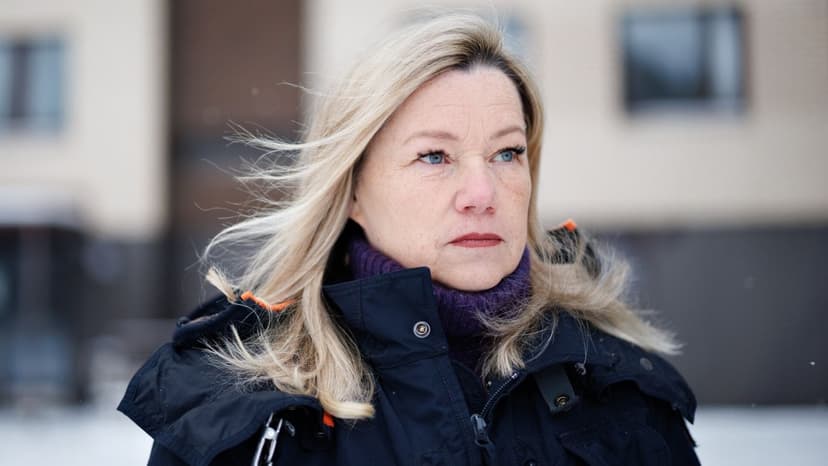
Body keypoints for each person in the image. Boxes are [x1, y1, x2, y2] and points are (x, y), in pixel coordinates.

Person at [119, 13, 700, 466]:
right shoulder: (243, 407)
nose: (482, 193)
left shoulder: (614, 378)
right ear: (352, 188)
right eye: (434, 156)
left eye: (507, 152)